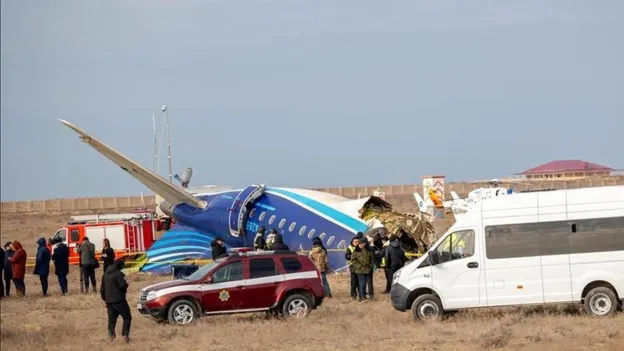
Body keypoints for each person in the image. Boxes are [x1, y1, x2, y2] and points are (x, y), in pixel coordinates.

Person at [101, 259, 131, 343]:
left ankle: (111, 336)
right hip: (119, 300)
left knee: (111, 320)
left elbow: (102, 289)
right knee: (127, 317)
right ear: (120, 266)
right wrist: (126, 285)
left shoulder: (105, 274)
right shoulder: (118, 274)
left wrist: (105, 299)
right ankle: (125, 336)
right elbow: (122, 285)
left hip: (109, 301)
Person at [351, 237, 373, 303]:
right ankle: (361, 298)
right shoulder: (356, 251)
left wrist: (371, 266)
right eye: (359, 244)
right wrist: (358, 266)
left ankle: (363, 296)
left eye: (361, 244)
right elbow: (353, 260)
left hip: (367, 270)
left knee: (365, 284)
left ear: (365, 244)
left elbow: (371, 259)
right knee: (362, 284)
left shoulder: (368, 251)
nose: (360, 245)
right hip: (359, 270)